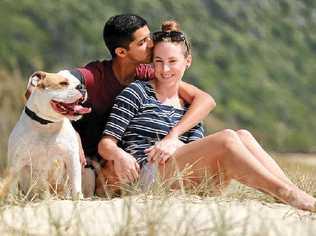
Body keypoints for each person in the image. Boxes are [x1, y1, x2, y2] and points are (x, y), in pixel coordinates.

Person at [98, 20, 316, 212]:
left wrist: (174, 140)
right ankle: (285, 192)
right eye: (158, 61)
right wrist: (120, 156)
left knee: (244, 135)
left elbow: (197, 150)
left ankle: (293, 191)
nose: (165, 69)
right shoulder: (136, 92)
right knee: (227, 137)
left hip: (193, 182)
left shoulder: (189, 106)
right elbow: (105, 145)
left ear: (187, 61)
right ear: (151, 62)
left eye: (172, 61)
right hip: (148, 176)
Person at [53, 14, 214, 196]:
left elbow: (205, 100)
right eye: (143, 42)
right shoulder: (93, 76)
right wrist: (72, 132)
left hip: (120, 165)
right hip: (80, 165)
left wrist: (173, 136)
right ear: (122, 52)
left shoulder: (146, 73)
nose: (151, 45)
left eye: (149, 38)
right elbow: (48, 89)